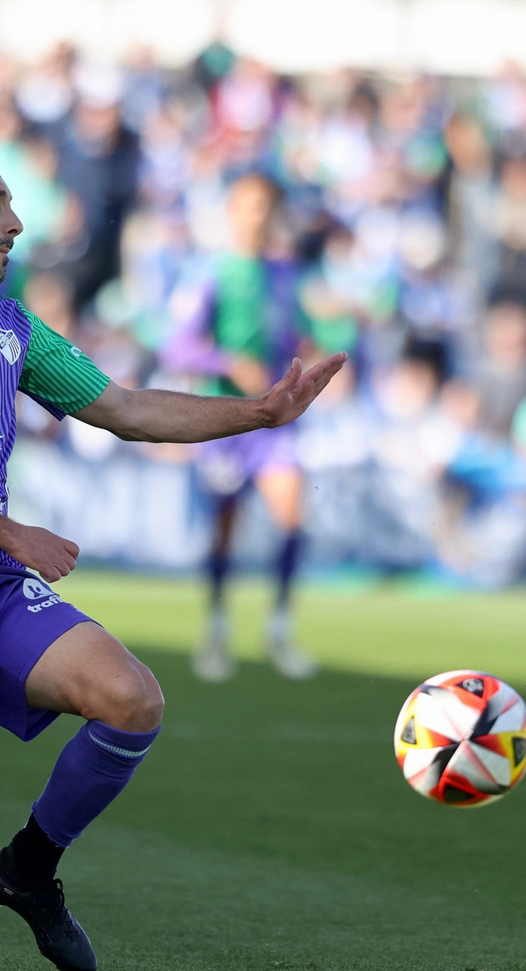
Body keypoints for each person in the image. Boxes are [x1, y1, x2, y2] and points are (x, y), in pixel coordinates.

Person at [0, 145, 342, 971]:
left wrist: (259, 412)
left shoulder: (8, 324)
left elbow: (124, 407)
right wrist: (11, 531)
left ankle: (26, 869)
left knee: (133, 701)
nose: (16, 222)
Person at [162, 172, 317, 683]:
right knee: (225, 529)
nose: (256, 216)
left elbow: (297, 334)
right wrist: (229, 360)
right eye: (247, 206)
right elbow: (176, 345)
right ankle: (217, 627)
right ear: (231, 211)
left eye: (264, 206)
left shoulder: (285, 273)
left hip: (274, 422)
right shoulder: (209, 271)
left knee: (293, 519)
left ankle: (279, 628)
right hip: (227, 420)